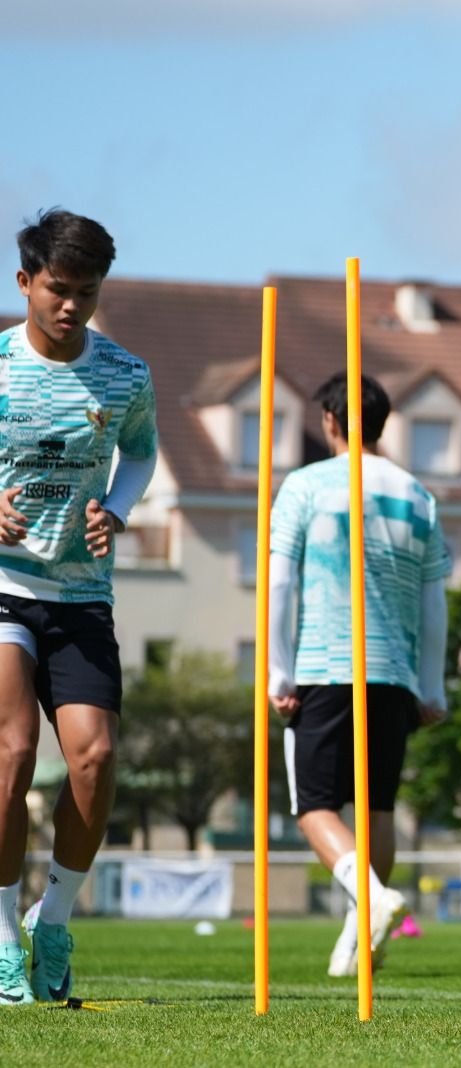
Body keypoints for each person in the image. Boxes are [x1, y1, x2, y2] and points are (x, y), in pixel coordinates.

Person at [0, 210, 158, 1006]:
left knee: (94, 762)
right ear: (25, 282)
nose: (71, 307)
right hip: (3, 587)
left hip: (83, 594)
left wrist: (120, 509)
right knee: (13, 751)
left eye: (86, 294)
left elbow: (142, 451)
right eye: (58, 290)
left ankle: (52, 920)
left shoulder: (125, 373)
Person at [267, 373, 452, 979]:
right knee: (376, 809)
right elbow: (435, 602)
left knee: (314, 808)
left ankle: (371, 901)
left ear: (328, 420)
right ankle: (356, 934)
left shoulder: (307, 485)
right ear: (384, 421)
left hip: (324, 666)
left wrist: (278, 669)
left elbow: (282, 582)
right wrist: (432, 684)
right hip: (394, 673)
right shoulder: (417, 494)